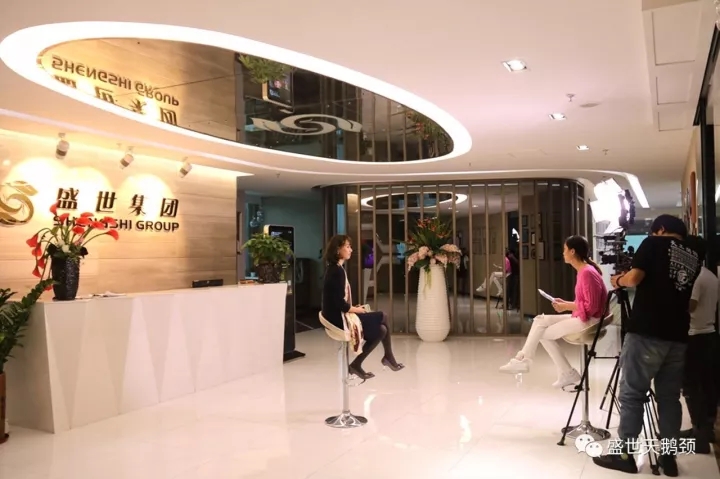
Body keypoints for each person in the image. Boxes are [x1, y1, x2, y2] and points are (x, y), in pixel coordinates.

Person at [593, 215, 701, 476]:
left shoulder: (653, 243)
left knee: (632, 393)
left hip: (647, 332)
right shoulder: (693, 255)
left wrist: (618, 280)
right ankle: (668, 458)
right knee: (669, 398)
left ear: (660, 230)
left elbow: (634, 279)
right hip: (678, 335)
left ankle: (624, 455)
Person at [498, 236, 607, 388]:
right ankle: (524, 359)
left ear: (572, 251)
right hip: (585, 316)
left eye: (565, 249)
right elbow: (586, 302)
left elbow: (592, 307)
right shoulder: (584, 271)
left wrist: (567, 306)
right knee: (540, 320)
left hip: (591, 321)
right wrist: (566, 303)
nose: (563, 253)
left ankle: (553, 368)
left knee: (542, 333)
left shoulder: (587, 272)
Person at [321, 235, 404, 380]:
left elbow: (338, 299)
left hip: (338, 314)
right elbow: (340, 304)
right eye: (347, 247)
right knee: (383, 316)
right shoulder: (336, 271)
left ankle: (357, 365)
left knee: (382, 330)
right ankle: (388, 357)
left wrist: (353, 307)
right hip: (337, 319)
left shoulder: (336, 269)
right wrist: (357, 310)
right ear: (338, 249)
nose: (351, 250)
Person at [680, 237, 719, 454]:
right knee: (707, 385)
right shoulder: (710, 275)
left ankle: (700, 436)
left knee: (692, 387)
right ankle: (704, 430)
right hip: (709, 334)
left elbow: (691, 306)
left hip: (695, 336)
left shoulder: (694, 277)